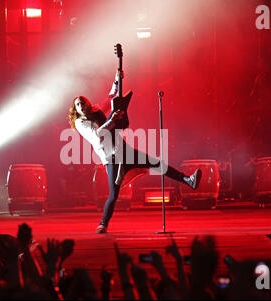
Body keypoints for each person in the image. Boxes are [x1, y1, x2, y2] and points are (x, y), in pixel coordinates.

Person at [68, 71, 202, 234]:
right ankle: (103, 223)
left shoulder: (96, 112)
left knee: (156, 163)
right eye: (77, 104)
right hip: (112, 157)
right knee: (114, 194)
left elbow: (111, 99)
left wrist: (117, 80)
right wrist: (112, 120)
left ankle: (188, 180)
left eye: (82, 102)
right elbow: (98, 135)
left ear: (87, 103)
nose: (81, 105)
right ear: (75, 109)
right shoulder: (81, 123)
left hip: (123, 149)